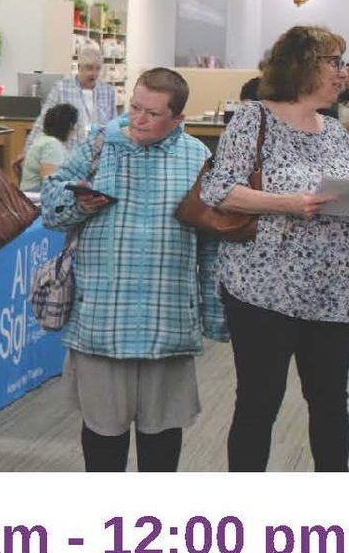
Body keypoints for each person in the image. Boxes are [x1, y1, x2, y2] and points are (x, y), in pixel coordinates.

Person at [198, 25, 349, 472]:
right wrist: (288, 204)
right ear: (301, 66)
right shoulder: (254, 119)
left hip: (331, 293)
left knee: (330, 403)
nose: (342, 73)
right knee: (259, 403)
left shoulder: (334, 131)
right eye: (333, 62)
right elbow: (218, 190)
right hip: (262, 291)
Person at [41, 68, 226, 473]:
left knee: (161, 444)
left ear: (178, 118)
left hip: (168, 323)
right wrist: (78, 204)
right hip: (101, 322)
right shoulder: (98, 145)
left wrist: (215, 316)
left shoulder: (198, 158)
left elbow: (212, 244)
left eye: (152, 113)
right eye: (134, 107)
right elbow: (51, 207)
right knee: (103, 443)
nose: (138, 119)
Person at [29, 43, 117, 150]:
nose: (94, 74)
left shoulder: (108, 91)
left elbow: (113, 126)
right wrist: (29, 149)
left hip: (98, 152)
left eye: (97, 69)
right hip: (70, 152)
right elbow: (43, 121)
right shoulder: (61, 88)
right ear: (79, 67)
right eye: (89, 68)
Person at [20, 102, 80, 191]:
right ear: (71, 126)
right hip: (36, 194)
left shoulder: (46, 140)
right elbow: (49, 184)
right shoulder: (52, 145)